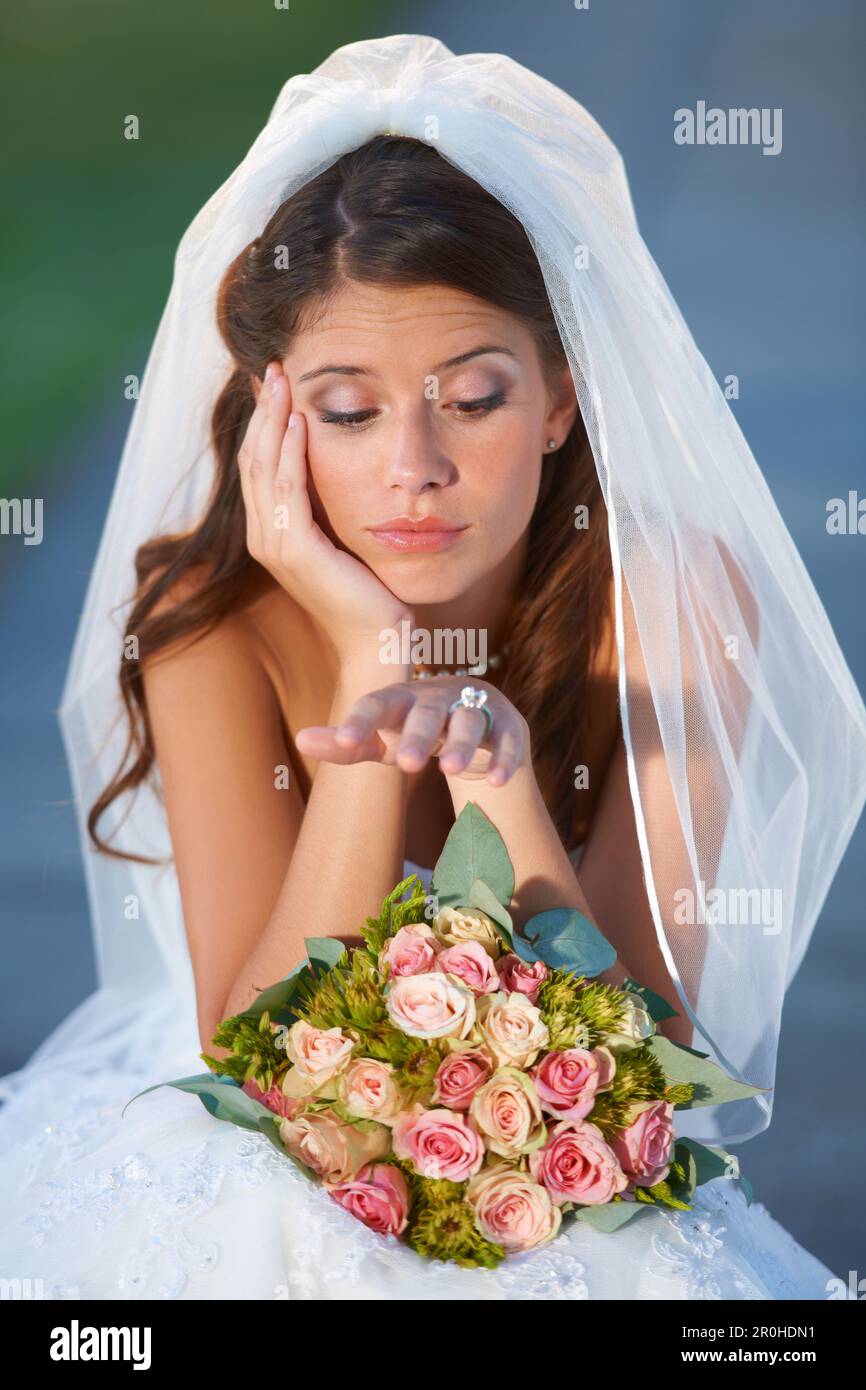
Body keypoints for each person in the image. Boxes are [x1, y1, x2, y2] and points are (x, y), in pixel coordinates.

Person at [0, 35, 862, 1300]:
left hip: (559, 1153)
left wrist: (500, 789)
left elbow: (643, 1061)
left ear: (563, 398)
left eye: (473, 396)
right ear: (275, 407)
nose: (414, 463)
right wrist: (372, 661)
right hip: (267, 1121)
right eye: (349, 411)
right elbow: (255, 1062)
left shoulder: (668, 599)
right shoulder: (205, 616)